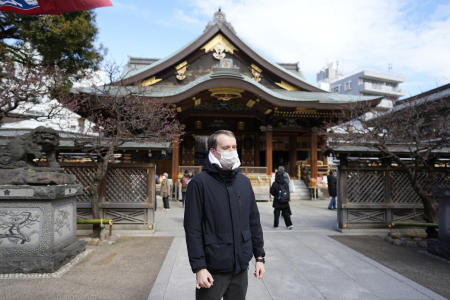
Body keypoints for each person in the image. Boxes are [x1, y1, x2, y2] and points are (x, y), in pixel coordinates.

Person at [184, 130, 265, 300]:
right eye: (226, 147)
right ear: (213, 151)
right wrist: (199, 267)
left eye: (234, 147)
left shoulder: (243, 182)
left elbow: (254, 222)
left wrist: (259, 256)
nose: (232, 151)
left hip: (240, 267)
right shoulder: (199, 183)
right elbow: (193, 229)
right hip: (212, 268)